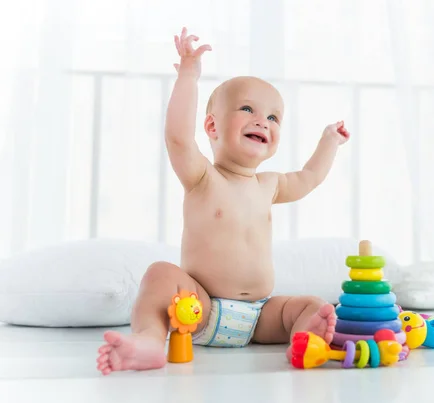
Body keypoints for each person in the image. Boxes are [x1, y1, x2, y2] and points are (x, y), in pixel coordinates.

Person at [96, 27, 350, 375]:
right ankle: (149, 341)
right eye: (248, 109)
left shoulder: (270, 184)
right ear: (212, 126)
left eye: (273, 117)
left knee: (310, 305)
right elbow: (178, 137)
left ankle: (305, 341)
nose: (263, 120)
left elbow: (309, 178)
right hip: (199, 309)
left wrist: (329, 142)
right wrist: (188, 74)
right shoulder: (202, 177)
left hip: (262, 316)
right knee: (159, 275)